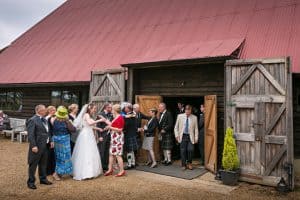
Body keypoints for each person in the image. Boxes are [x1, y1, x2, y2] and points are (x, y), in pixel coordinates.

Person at [72, 103, 104, 180]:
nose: (95, 110)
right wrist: (100, 120)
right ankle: (85, 173)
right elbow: (89, 123)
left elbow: (89, 125)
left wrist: (98, 129)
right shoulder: (86, 114)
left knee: (90, 151)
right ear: (90, 108)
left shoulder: (88, 115)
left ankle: (91, 171)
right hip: (86, 135)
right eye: (94, 108)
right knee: (86, 151)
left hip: (88, 133)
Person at [27, 105, 53, 190]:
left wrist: (51, 140)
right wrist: (33, 145)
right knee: (33, 164)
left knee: (43, 164)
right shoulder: (32, 120)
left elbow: (48, 131)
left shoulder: (45, 119)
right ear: (39, 111)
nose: (45, 111)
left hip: (46, 145)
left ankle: (43, 179)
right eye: (44, 110)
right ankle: (31, 182)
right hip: (37, 146)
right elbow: (31, 135)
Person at [50, 106, 75, 181]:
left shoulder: (54, 119)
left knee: (64, 157)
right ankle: (56, 173)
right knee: (62, 157)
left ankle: (64, 172)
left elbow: (73, 129)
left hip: (62, 140)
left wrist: (68, 122)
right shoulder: (57, 120)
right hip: (60, 140)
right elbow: (73, 129)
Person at [103, 104, 126, 177]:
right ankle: (110, 169)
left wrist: (110, 127)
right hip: (113, 137)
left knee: (118, 155)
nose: (111, 110)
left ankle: (122, 170)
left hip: (118, 137)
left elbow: (120, 129)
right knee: (111, 154)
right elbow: (113, 125)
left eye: (112, 109)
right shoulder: (115, 117)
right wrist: (106, 122)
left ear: (115, 110)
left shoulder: (120, 118)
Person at [174, 105, 199, 170]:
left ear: (191, 110)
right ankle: (183, 164)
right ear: (185, 110)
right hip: (183, 136)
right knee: (183, 151)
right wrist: (176, 135)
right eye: (186, 110)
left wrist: (196, 138)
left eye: (189, 110)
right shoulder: (180, 116)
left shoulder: (194, 117)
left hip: (190, 137)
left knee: (191, 149)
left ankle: (189, 163)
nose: (188, 111)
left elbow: (196, 129)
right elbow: (176, 127)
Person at [96, 103, 113, 171]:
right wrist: (99, 136)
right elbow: (98, 125)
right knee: (101, 151)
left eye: (111, 108)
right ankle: (100, 166)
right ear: (106, 107)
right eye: (110, 108)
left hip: (109, 135)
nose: (111, 109)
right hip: (102, 135)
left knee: (107, 151)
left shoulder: (111, 115)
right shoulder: (101, 114)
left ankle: (105, 166)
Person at [123, 103, 138, 170]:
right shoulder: (133, 114)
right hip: (132, 134)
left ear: (128, 108)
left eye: (125, 107)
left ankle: (129, 164)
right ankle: (133, 163)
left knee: (129, 150)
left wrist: (122, 129)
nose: (124, 108)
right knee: (131, 150)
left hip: (128, 134)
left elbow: (126, 125)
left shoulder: (129, 115)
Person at [45, 106, 56, 177]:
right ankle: (48, 171)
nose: (55, 111)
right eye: (53, 110)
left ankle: (51, 170)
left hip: (51, 137)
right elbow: (48, 130)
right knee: (49, 154)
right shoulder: (48, 118)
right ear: (49, 111)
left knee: (51, 154)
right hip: (49, 137)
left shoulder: (50, 118)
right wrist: (51, 139)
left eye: (55, 110)